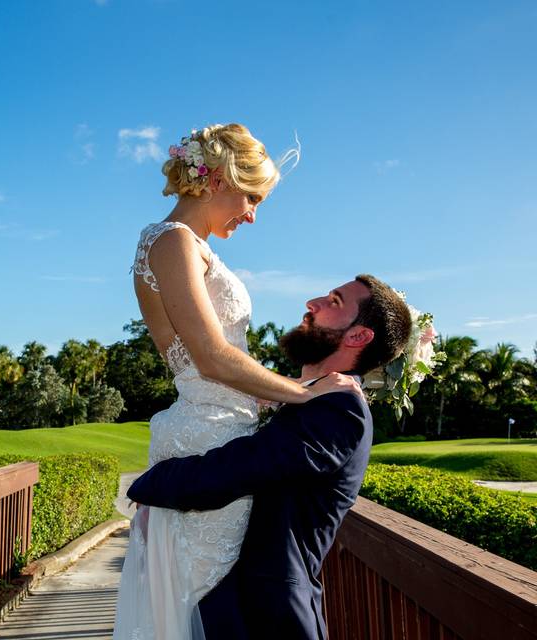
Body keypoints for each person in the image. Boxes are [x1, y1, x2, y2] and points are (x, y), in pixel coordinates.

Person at [113, 123, 361, 640]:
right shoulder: (170, 240)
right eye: (252, 197)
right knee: (206, 602)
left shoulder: (194, 247)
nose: (252, 214)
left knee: (221, 599)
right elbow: (212, 357)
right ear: (220, 178)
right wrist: (305, 393)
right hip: (209, 430)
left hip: (229, 426)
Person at [127, 274, 413, 639]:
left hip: (271, 618)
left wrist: (150, 482)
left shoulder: (342, 411)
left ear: (358, 336)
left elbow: (237, 468)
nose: (313, 303)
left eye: (335, 302)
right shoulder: (313, 398)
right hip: (238, 604)